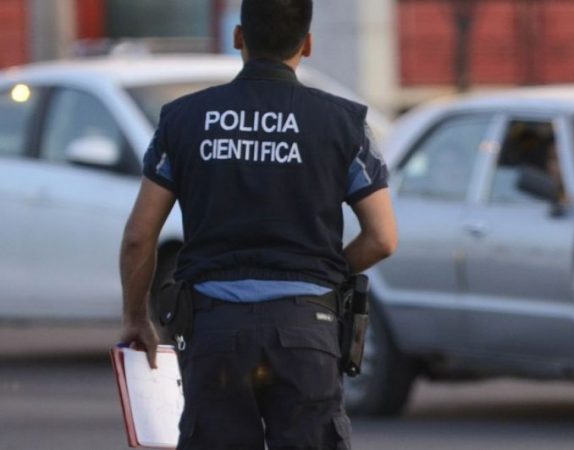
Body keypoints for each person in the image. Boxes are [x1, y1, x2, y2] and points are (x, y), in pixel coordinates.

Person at [118, 1, 397, 448]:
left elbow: (139, 236)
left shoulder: (183, 119)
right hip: (308, 332)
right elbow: (382, 238)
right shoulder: (344, 124)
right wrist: (323, 275)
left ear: (238, 37)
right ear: (307, 44)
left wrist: (136, 318)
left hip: (214, 334)